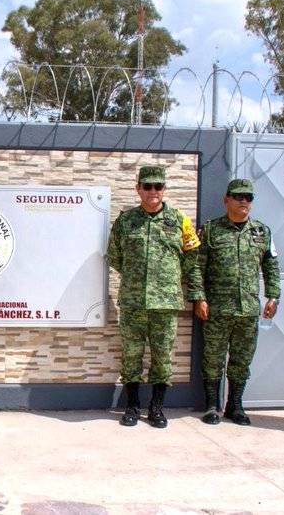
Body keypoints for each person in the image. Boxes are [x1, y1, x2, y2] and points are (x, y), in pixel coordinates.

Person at [107, 165, 202, 428]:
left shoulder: (180, 221)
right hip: (133, 302)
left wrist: (169, 280)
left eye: (157, 186)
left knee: (162, 356)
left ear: (164, 189)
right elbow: (115, 257)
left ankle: (157, 408)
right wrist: (137, 279)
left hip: (165, 303)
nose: (152, 191)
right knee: (131, 355)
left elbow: (191, 259)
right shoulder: (125, 221)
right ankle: (132, 406)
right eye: (147, 186)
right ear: (138, 188)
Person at [194, 178, 280, 426]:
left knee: (241, 360)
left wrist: (273, 296)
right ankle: (211, 406)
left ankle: (235, 405)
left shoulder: (261, 232)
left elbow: (271, 267)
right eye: (238, 196)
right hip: (216, 309)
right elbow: (198, 268)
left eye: (248, 197)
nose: (244, 201)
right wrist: (199, 298)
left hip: (248, 309)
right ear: (226, 200)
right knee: (213, 358)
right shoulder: (210, 230)